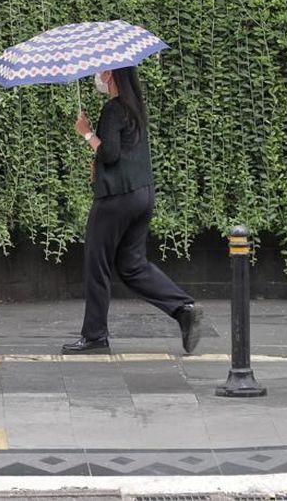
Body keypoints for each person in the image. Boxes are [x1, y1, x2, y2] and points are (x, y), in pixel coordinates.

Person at [63, 65, 203, 355]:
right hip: (142, 194)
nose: (98, 77)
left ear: (111, 75)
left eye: (101, 71)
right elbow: (121, 153)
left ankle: (95, 336)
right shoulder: (134, 106)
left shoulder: (114, 109)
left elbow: (111, 154)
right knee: (132, 265)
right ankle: (184, 308)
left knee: (96, 264)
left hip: (116, 198)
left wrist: (86, 133)